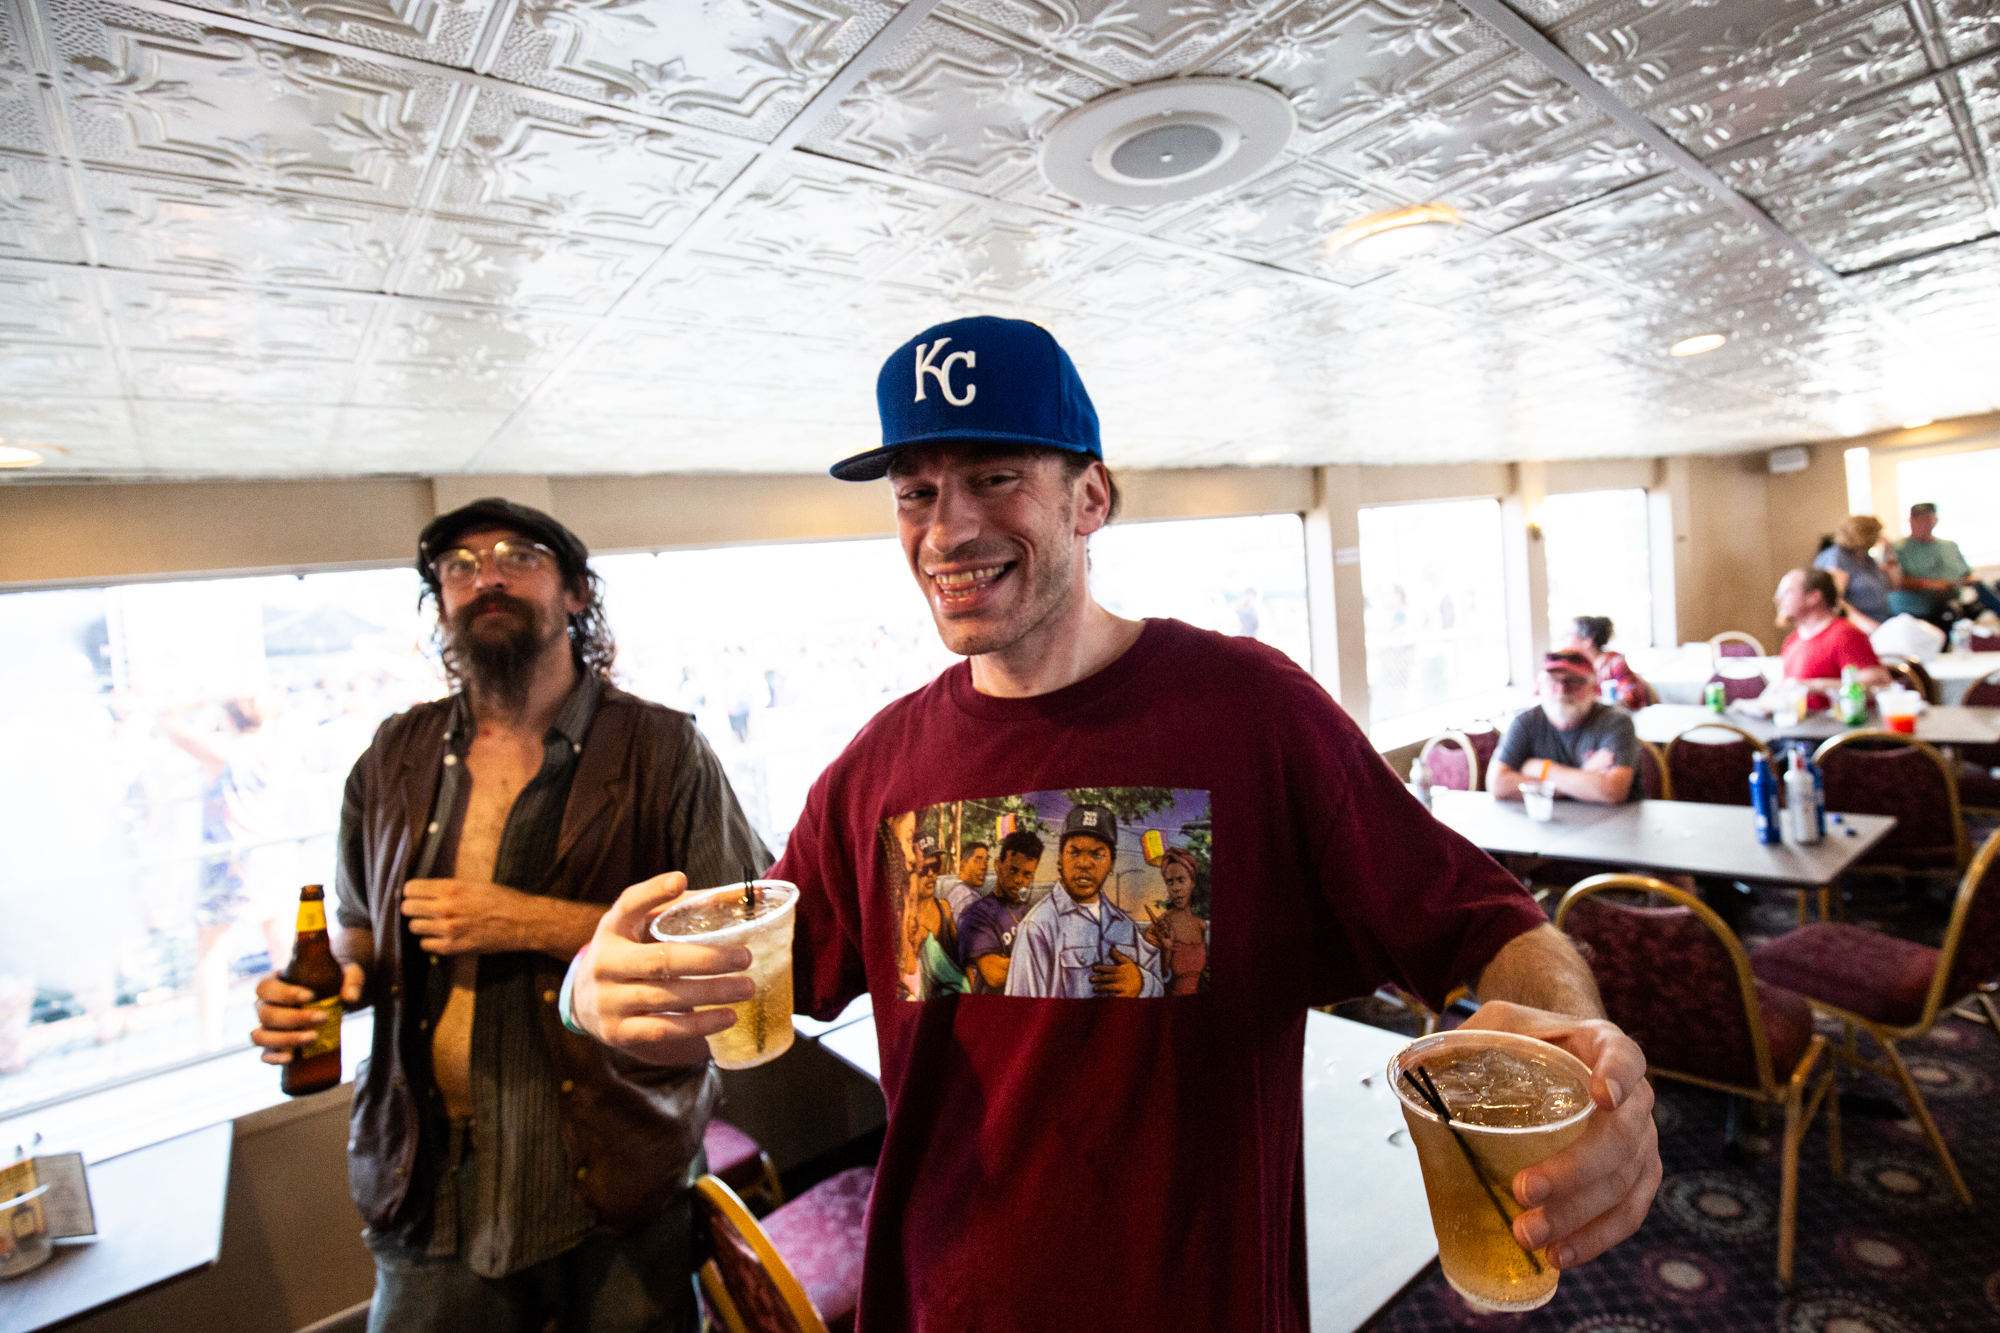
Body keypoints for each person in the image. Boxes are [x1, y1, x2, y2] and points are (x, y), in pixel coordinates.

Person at [568, 316, 1660, 1330]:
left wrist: (1583, 1056)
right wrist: (591, 990)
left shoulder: (1251, 712)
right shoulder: (875, 771)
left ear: (1090, 497)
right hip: (946, 1306)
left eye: (994, 477)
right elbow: (735, 994)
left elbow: (1488, 924)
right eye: (916, 491)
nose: (948, 528)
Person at [249, 498, 766, 1333]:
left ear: (576, 594)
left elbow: (742, 937)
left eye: (518, 556)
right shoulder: (389, 758)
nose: (485, 576)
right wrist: (325, 985)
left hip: (619, 1172)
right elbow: (357, 931)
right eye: (459, 566)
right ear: (440, 604)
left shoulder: (663, 750)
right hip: (430, 1179)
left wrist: (523, 919)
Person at [162, 696, 300, 1050]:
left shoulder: (224, 754)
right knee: (283, 948)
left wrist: (197, 698)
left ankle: (210, 1040)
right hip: (273, 857)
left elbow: (168, 723)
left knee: (211, 953)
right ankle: (300, 1017)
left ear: (229, 719)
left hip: (229, 863)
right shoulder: (280, 752)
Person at [1005, 804, 1164, 998]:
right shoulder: (1037, 927)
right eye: (1074, 852)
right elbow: (1022, 1009)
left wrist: (1142, 984)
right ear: (1060, 859)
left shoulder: (1124, 925)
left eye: (1097, 854)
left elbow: (1159, 990)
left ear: (1111, 864)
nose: (1084, 864)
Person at [1490, 651, 1641, 804]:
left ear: (1593, 687)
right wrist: (1584, 779)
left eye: (1574, 681)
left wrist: (1542, 769)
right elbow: (1497, 784)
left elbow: (1613, 790)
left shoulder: (1616, 722)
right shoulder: (1524, 723)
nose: (1562, 689)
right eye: (1552, 681)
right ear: (1541, 685)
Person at [1765, 568, 1888, 705]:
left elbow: (1879, 683)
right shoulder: (1792, 641)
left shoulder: (1844, 634)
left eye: (1788, 592)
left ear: (1813, 597)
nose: (1778, 599)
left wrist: (1813, 686)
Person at [957, 830, 1042, 994]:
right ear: (998, 865)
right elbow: (994, 974)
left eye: (1027, 874)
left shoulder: (1030, 911)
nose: (1019, 880)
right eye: (1013, 870)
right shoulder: (976, 914)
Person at [1887, 502, 1998, 624]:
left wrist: (1964, 581)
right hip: (1913, 613)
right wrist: (1928, 584)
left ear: (1935, 520)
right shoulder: (1897, 548)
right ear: (1911, 521)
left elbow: (1966, 574)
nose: (1924, 524)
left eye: (1928, 519)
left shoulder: (1949, 546)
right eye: (1920, 520)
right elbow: (1894, 582)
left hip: (1951, 607)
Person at [1145, 846, 1208, 997]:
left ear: (1192, 882)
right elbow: (1151, 982)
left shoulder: (1201, 925)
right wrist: (1166, 950)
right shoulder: (1160, 927)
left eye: (1181, 880)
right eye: (1170, 882)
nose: (1176, 888)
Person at [1814, 515, 1891, 632]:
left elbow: (1893, 584)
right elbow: (1835, 602)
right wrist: (1869, 626)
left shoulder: (1867, 559)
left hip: (1881, 623)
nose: (1879, 538)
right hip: (1857, 628)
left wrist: (1889, 552)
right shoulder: (1836, 557)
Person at [1562, 616, 1653, 710]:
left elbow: (1632, 697)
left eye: (1569, 634)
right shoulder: (1575, 667)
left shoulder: (1615, 663)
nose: (1563, 638)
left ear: (1587, 641)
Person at [940, 841, 988, 924]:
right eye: (977, 861)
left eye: (986, 862)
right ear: (963, 865)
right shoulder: (970, 898)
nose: (983, 867)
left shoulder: (953, 892)